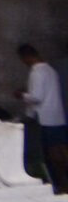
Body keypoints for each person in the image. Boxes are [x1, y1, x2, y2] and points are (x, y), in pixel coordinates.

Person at [20, 43, 66, 193]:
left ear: (26, 57)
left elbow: (37, 97)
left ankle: (60, 185)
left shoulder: (37, 72)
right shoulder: (51, 70)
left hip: (43, 119)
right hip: (57, 117)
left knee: (51, 155)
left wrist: (22, 95)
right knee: (61, 152)